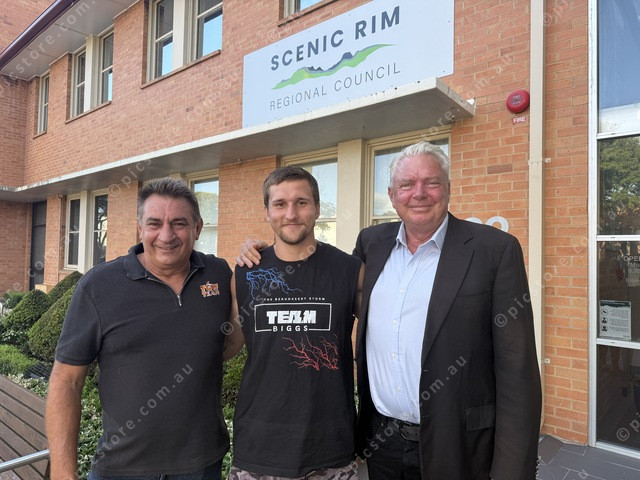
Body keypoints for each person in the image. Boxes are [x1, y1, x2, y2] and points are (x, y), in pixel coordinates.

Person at [237, 142, 542, 480]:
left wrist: (513, 471)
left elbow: (517, 370)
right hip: (382, 443)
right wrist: (260, 252)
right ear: (392, 195)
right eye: (407, 184)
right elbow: (316, 277)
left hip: (456, 444)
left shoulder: (494, 250)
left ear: (448, 188)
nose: (419, 193)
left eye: (431, 182)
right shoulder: (372, 244)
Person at [46, 177, 243, 480]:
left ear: (198, 228)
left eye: (179, 223)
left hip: (201, 466)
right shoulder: (99, 286)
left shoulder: (217, 274)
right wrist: (62, 471)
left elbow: (223, 348)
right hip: (122, 468)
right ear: (140, 228)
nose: (166, 235)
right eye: (154, 223)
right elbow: (66, 381)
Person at [228, 166, 364, 480]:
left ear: (317, 208)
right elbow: (226, 347)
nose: (291, 214)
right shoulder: (246, 274)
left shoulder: (350, 270)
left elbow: (386, 334)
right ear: (267, 212)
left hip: (331, 449)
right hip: (258, 450)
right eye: (280, 204)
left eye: (301, 202)